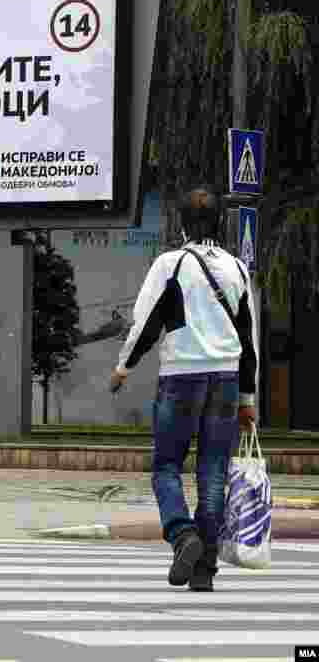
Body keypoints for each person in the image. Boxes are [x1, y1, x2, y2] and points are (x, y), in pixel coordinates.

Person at [110, 185, 257, 592]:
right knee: (213, 472)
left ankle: (182, 534)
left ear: (182, 225)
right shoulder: (236, 268)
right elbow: (248, 339)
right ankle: (204, 568)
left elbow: (146, 323)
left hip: (180, 378)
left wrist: (123, 367)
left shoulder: (170, 264)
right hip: (226, 380)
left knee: (166, 466)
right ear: (219, 222)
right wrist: (248, 399)